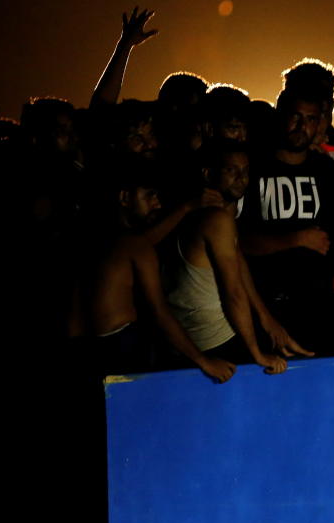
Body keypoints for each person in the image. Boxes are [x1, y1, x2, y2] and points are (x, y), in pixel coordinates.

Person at [69, 162, 235, 383]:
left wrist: (186, 208)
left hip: (79, 352)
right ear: (125, 198)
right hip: (119, 350)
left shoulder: (90, 239)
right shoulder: (135, 246)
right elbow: (160, 312)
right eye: (150, 195)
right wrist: (203, 361)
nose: (157, 204)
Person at [238, 88, 334, 355]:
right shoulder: (254, 168)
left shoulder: (325, 169)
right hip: (268, 299)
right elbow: (237, 242)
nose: (302, 126)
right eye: (295, 117)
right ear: (280, 116)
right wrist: (295, 239)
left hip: (319, 299)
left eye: (310, 119)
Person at [165, 142, 295, 374]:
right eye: (231, 170)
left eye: (245, 171)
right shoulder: (216, 220)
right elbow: (233, 292)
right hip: (212, 340)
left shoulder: (211, 213)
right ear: (208, 173)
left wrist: (266, 319)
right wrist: (256, 353)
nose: (241, 178)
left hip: (200, 336)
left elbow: (238, 263)